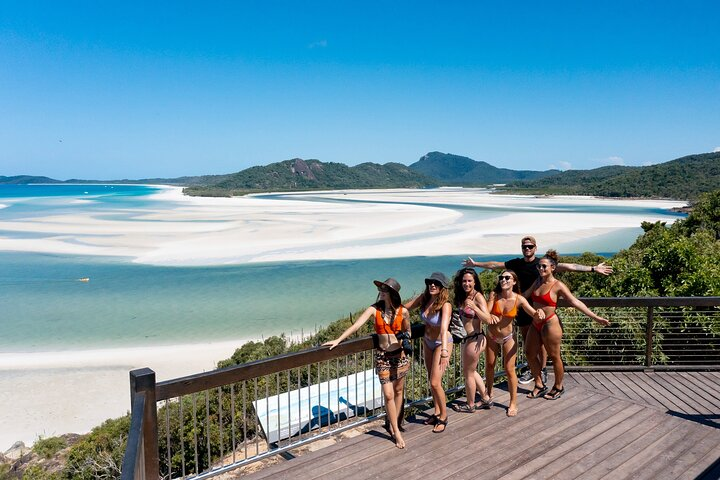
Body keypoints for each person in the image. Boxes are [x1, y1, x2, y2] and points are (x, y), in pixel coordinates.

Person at [463, 235, 612, 385]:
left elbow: (570, 267)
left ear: (535, 247)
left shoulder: (543, 265)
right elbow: (495, 265)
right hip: (521, 308)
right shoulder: (522, 266)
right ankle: (534, 373)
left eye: (530, 246)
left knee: (544, 346)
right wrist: (476, 264)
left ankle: (543, 371)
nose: (527, 249)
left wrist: (593, 269)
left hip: (540, 313)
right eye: (524, 247)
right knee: (529, 342)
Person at [324, 278, 410, 448]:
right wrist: (339, 339)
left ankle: (395, 424)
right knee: (388, 394)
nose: (381, 291)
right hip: (383, 357)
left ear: (392, 293)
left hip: (400, 356)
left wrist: (405, 340)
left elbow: (407, 330)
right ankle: (396, 431)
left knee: (399, 391)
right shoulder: (374, 309)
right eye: (381, 289)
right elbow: (356, 325)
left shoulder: (403, 311)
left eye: (385, 289)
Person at [526, 250, 611, 400]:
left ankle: (558, 386)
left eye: (544, 266)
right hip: (535, 323)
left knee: (554, 356)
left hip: (550, 323)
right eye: (539, 266)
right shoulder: (537, 281)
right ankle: (539, 385)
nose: (540, 269)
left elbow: (575, 302)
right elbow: (524, 296)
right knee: (529, 353)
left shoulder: (558, 285)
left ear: (553, 268)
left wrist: (595, 317)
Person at [485, 269, 539, 417]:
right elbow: (486, 312)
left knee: (509, 369)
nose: (504, 280)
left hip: (508, 337)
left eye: (507, 278)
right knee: (490, 365)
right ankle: (488, 394)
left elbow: (532, 312)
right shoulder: (494, 295)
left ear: (514, 281)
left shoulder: (518, 299)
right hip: (491, 335)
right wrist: (490, 315)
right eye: (501, 277)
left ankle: (513, 402)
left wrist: (538, 313)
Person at [404, 272, 453, 433]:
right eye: (430, 283)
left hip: (442, 343)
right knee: (431, 378)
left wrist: (445, 350)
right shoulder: (424, 299)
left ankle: (444, 417)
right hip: (427, 342)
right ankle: (437, 412)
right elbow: (405, 309)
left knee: (435, 382)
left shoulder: (446, 304)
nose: (432, 285)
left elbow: (444, 328)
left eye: (436, 283)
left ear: (442, 287)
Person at [450, 267, 494, 413]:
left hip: (476, 338)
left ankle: (470, 404)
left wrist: (475, 307)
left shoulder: (478, 297)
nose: (466, 284)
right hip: (468, 339)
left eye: (469, 281)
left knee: (468, 373)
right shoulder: (462, 296)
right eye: (464, 281)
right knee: (471, 371)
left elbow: (488, 319)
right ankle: (486, 398)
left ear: (475, 282)